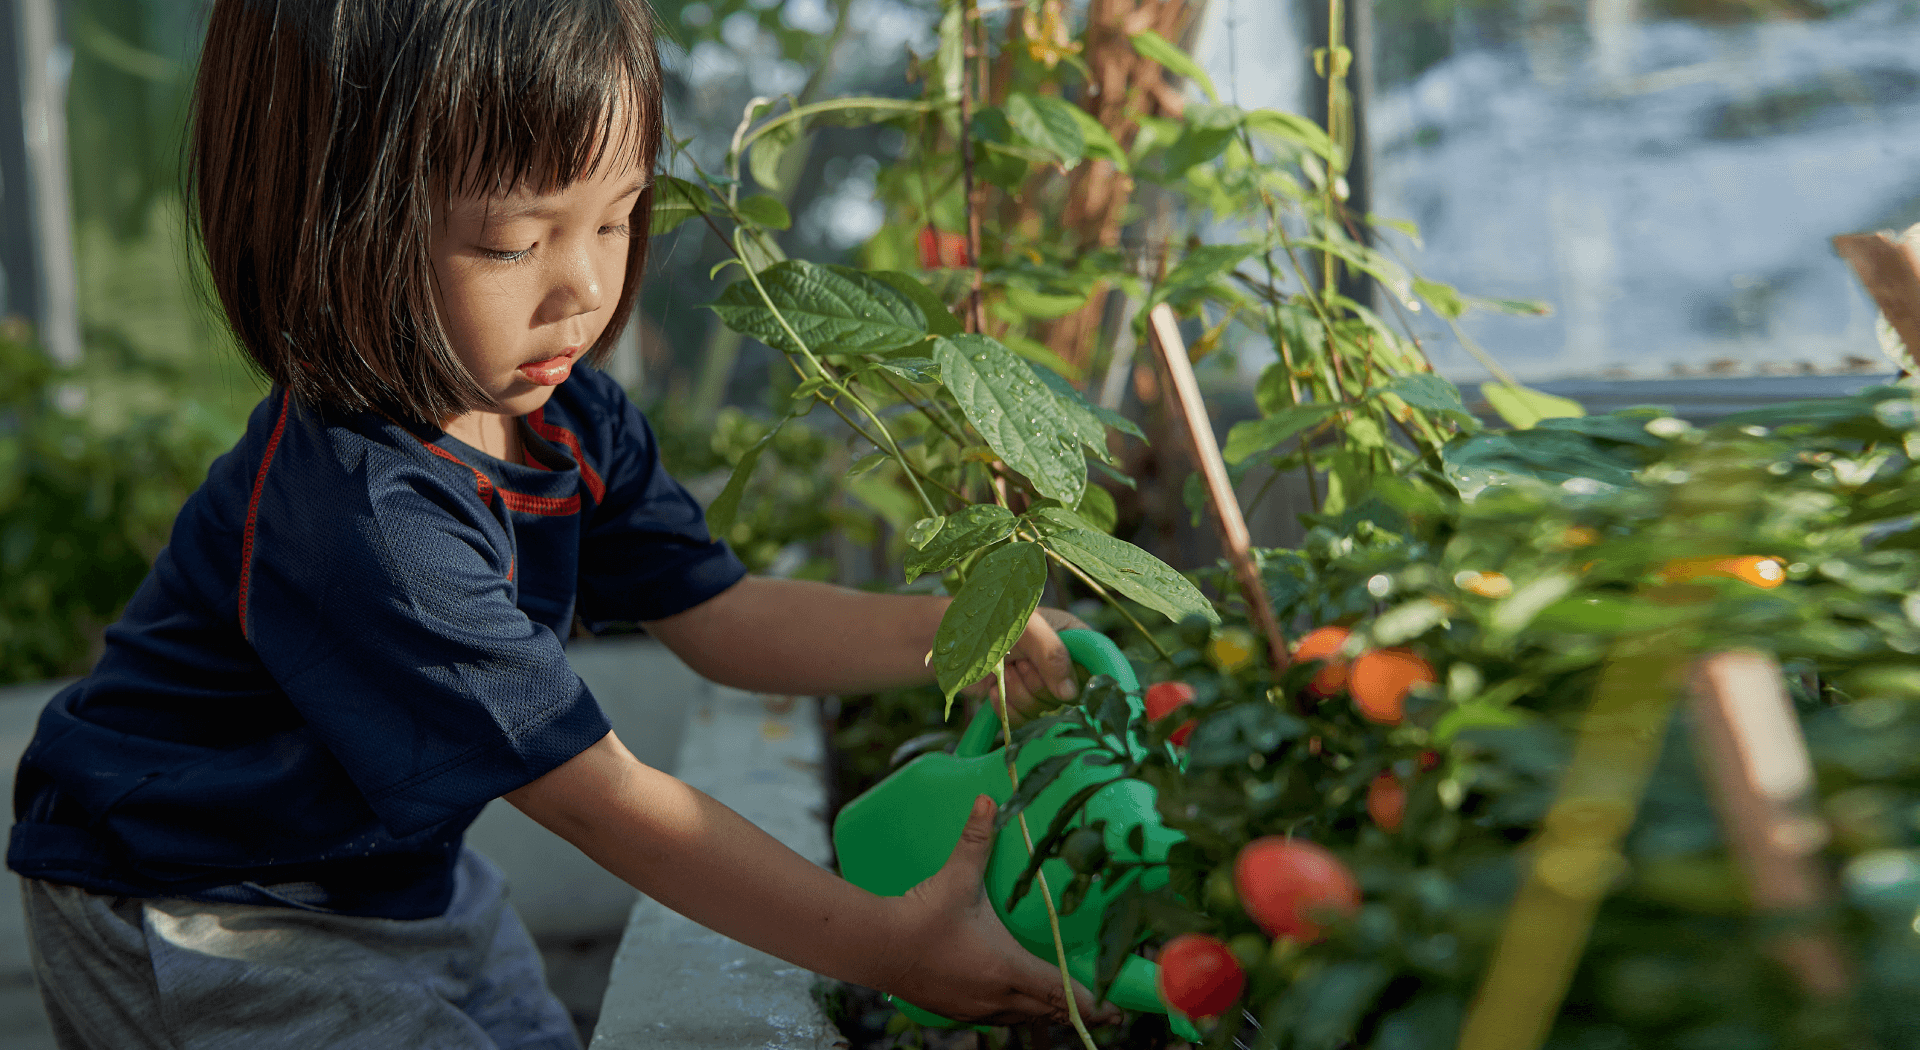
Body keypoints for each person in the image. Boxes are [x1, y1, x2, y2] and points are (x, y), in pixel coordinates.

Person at [5, 1, 1115, 1046]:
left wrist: (964, 632)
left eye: (620, 216)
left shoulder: (561, 415)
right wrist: (887, 947)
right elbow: (601, 803)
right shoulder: (363, 518)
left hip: (387, 871)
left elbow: (718, 614)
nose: (583, 285)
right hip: (190, 894)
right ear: (325, 222)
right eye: (510, 242)